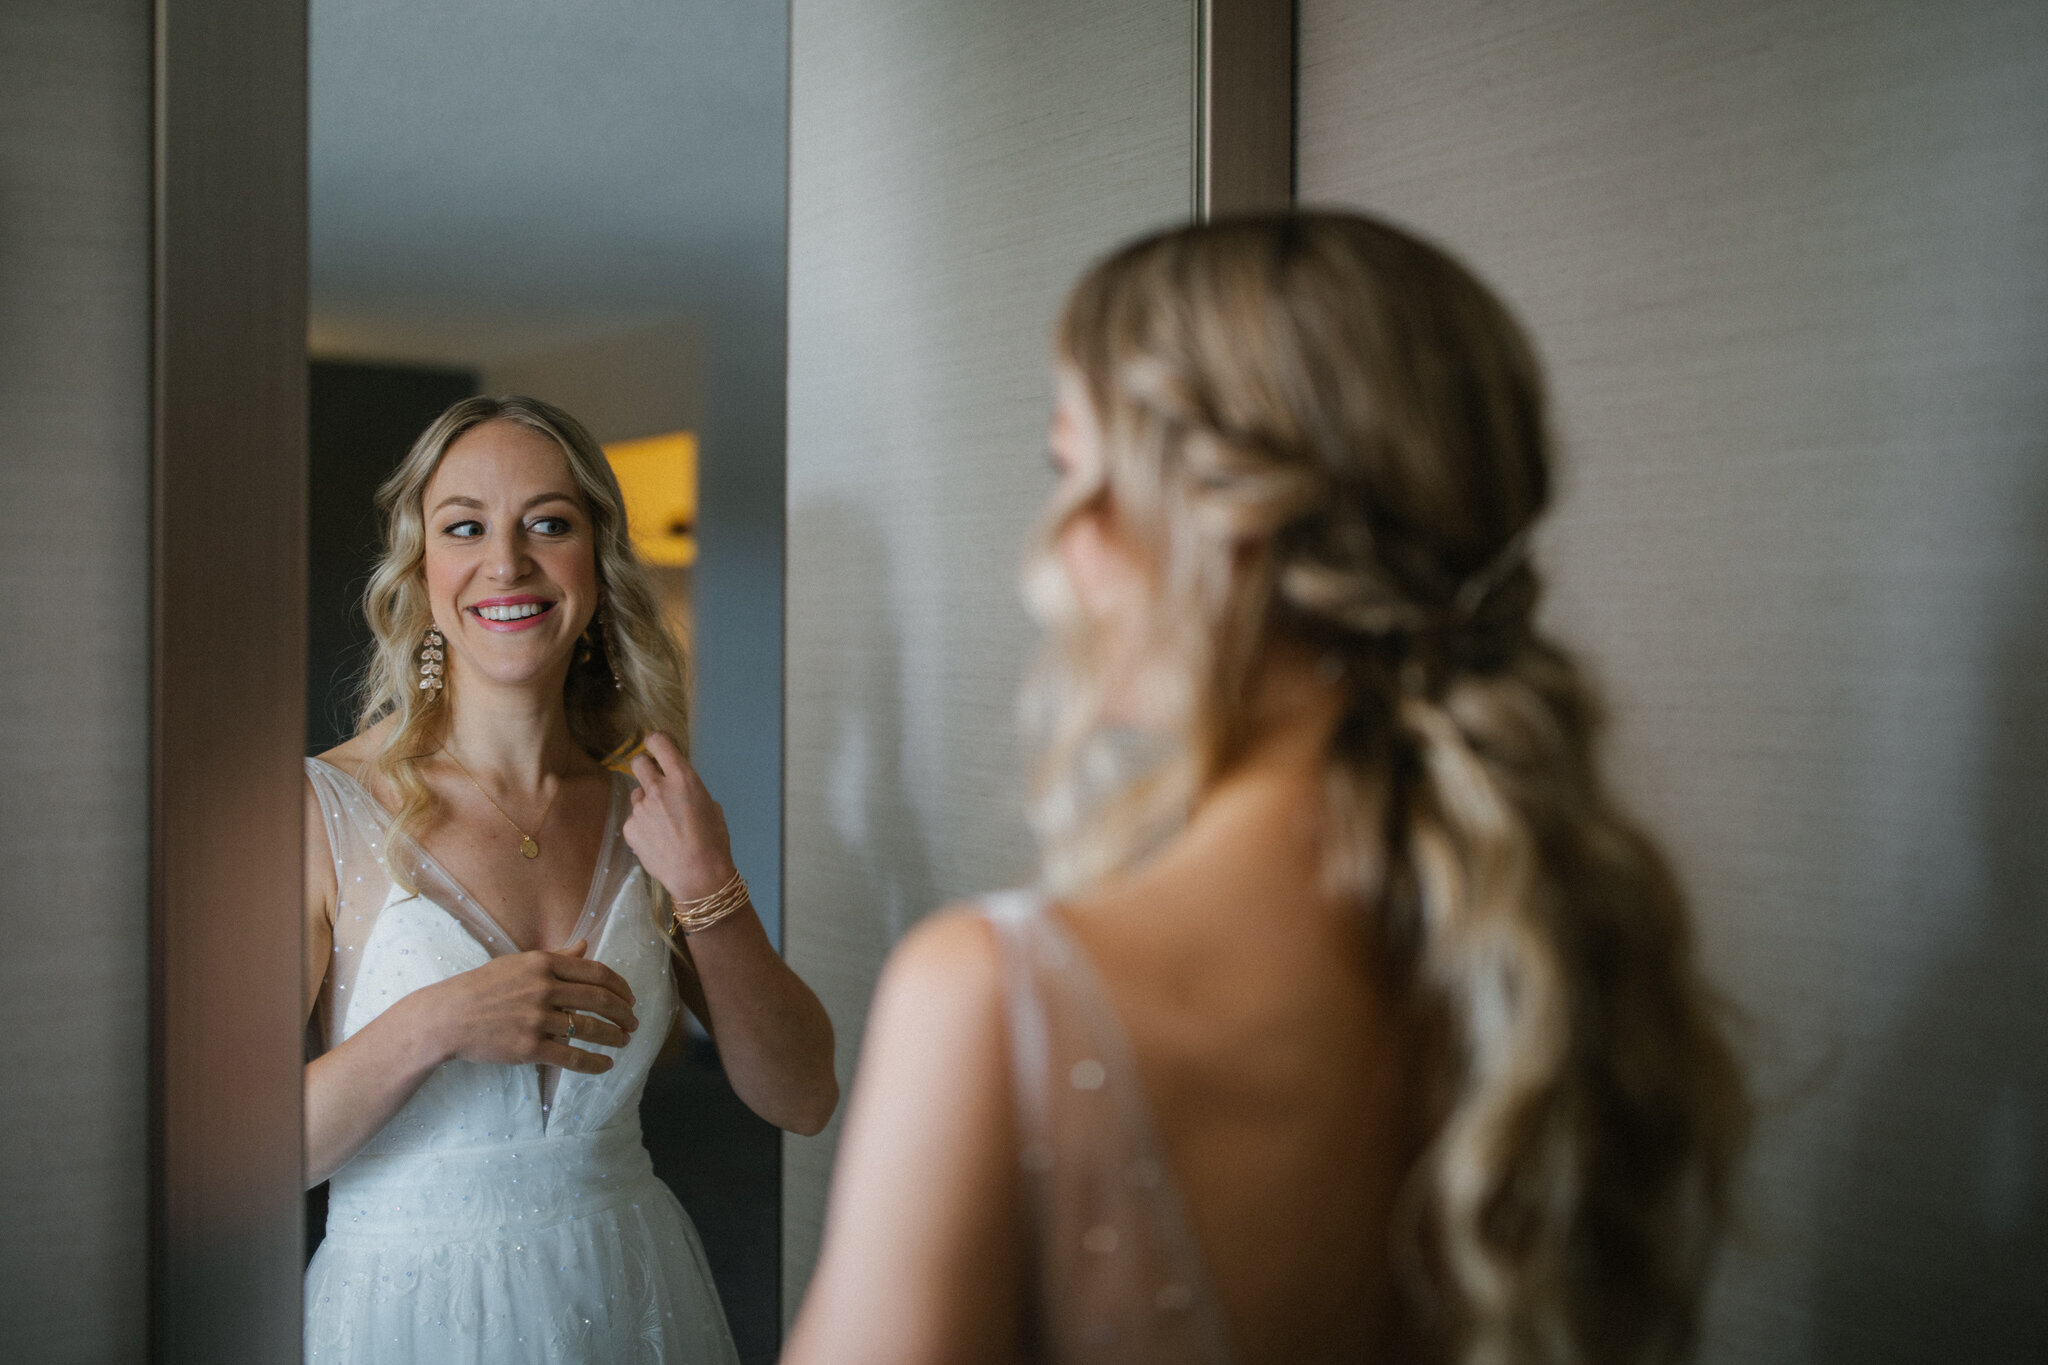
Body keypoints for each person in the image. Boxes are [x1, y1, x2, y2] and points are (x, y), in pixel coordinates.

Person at [786, 214, 1748, 1365]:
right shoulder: (1579, 951)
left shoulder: (993, 1002)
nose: (1062, 542)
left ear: (1221, 524)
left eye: (1073, 468)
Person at [302, 394, 836, 1363]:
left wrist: (709, 885)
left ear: (595, 560)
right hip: (404, 1315)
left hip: (630, 1292)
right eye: (465, 527)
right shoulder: (320, 809)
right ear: (422, 571)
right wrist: (432, 1025)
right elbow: (237, 1165)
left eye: (548, 524)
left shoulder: (647, 814)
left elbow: (800, 1096)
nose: (506, 564)